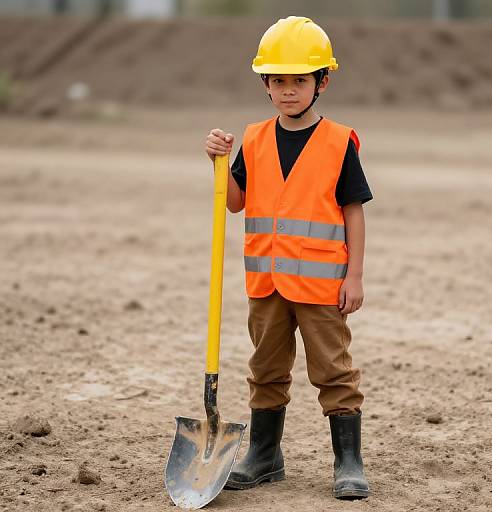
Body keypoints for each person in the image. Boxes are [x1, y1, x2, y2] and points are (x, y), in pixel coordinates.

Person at [204, 16, 372, 500]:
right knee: (266, 370)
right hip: (266, 285)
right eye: (279, 80)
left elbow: (352, 210)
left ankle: (348, 462)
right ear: (266, 84)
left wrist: (354, 276)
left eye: (300, 80)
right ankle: (264, 456)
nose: (288, 90)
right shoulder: (254, 138)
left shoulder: (340, 142)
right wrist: (217, 161)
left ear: (321, 82)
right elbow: (235, 202)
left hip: (321, 286)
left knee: (334, 372)